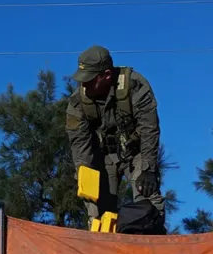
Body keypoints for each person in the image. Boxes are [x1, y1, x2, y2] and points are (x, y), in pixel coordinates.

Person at [65, 45, 166, 233]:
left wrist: (148, 169)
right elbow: (79, 143)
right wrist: (84, 174)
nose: (84, 85)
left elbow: (149, 129)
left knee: (148, 199)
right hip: (102, 157)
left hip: (135, 153)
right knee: (97, 211)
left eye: (90, 80)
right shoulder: (77, 102)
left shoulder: (135, 86)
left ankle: (153, 247)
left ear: (107, 75)